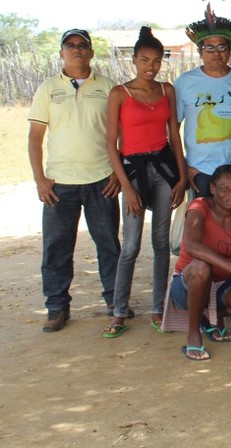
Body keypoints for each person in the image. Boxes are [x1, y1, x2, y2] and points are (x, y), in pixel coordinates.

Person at [29, 28, 122, 332]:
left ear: (92, 53)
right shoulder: (48, 89)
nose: (77, 50)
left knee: (108, 244)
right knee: (56, 246)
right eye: (70, 46)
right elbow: (35, 136)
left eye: (83, 46)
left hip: (101, 180)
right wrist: (40, 179)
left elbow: (124, 133)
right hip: (60, 183)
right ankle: (57, 307)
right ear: (61, 53)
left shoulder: (108, 88)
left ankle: (114, 301)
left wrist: (116, 173)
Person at [103, 27, 188, 338]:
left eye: (155, 61)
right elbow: (112, 145)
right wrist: (126, 187)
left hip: (163, 168)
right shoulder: (119, 94)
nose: (150, 66)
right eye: (144, 60)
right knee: (131, 245)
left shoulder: (166, 90)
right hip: (135, 172)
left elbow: (174, 137)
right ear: (134, 60)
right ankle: (118, 312)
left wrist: (180, 177)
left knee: (162, 242)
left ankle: (158, 307)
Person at [169, 165, 231, 361]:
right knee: (201, 267)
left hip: (221, 283)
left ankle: (210, 315)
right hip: (188, 283)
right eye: (224, 189)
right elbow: (193, 246)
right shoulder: (198, 207)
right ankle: (194, 334)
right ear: (212, 189)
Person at [174, 6, 231, 197]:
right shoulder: (184, 82)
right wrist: (184, 167)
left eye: (221, 47)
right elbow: (173, 130)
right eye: (209, 48)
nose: (216, 53)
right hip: (200, 172)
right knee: (202, 224)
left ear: (228, 50)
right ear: (200, 52)